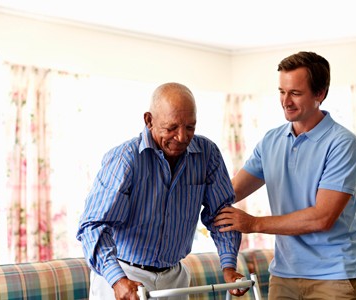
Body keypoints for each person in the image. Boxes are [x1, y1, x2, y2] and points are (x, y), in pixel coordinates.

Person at [214, 51, 356, 299]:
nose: (286, 101)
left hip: (334, 275)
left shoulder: (343, 143)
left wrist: (253, 223)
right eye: (282, 92)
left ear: (320, 94)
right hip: (284, 274)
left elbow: (322, 218)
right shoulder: (271, 140)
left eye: (295, 93)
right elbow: (230, 191)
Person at [76, 82, 247, 300]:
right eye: (171, 128)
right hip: (124, 273)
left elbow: (221, 214)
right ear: (149, 120)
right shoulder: (125, 160)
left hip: (174, 275)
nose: (182, 137)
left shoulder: (207, 154)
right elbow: (93, 225)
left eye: (190, 127)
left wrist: (229, 266)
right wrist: (117, 279)